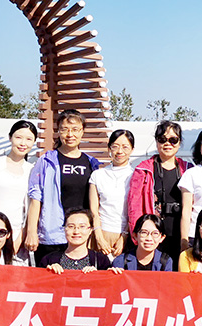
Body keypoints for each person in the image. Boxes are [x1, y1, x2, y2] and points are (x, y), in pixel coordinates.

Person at [25, 109, 101, 267]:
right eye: (65, 129)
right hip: (52, 236)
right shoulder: (46, 161)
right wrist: (31, 231)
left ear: (82, 131)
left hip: (81, 237)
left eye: (75, 129)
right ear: (58, 132)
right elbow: (35, 198)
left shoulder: (91, 163)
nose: (70, 134)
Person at [127, 121, 193, 262]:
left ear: (179, 142)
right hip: (154, 235)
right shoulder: (143, 170)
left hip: (181, 232)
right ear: (156, 141)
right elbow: (134, 205)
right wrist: (136, 234)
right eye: (162, 139)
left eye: (173, 140)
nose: (168, 143)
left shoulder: (188, 169)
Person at [0, 120, 36, 255]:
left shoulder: (32, 170)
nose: (23, 143)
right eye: (18, 137)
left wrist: (19, 239)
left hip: (17, 234)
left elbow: (30, 209)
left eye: (29, 139)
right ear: (10, 138)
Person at [88, 129, 135, 258]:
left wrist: (124, 236)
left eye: (125, 147)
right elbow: (94, 211)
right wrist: (99, 237)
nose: (120, 151)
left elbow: (133, 211)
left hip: (125, 237)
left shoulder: (135, 176)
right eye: (115, 146)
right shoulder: (98, 175)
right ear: (109, 148)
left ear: (132, 150)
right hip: (100, 234)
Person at [41, 209, 112, 272]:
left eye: (82, 226)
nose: (76, 231)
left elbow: (108, 280)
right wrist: (49, 272)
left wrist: (97, 275)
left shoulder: (100, 260)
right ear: (64, 229)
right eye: (71, 226)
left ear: (90, 230)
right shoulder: (49, 260)